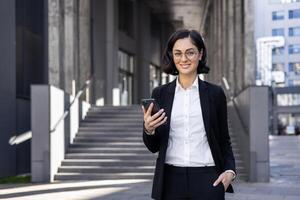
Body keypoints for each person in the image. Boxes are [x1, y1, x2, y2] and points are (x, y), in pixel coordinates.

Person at [142, 29, 236, 200]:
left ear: (200, 54)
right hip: (170, 180)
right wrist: (149, 129)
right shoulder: (160, 94)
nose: (183, 59)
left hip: (208, 179)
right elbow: (153, 146)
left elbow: (224, 140)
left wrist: (230, 171)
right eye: (177, 53)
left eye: (190, 52)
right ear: (172, 56)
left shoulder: (215, 94)